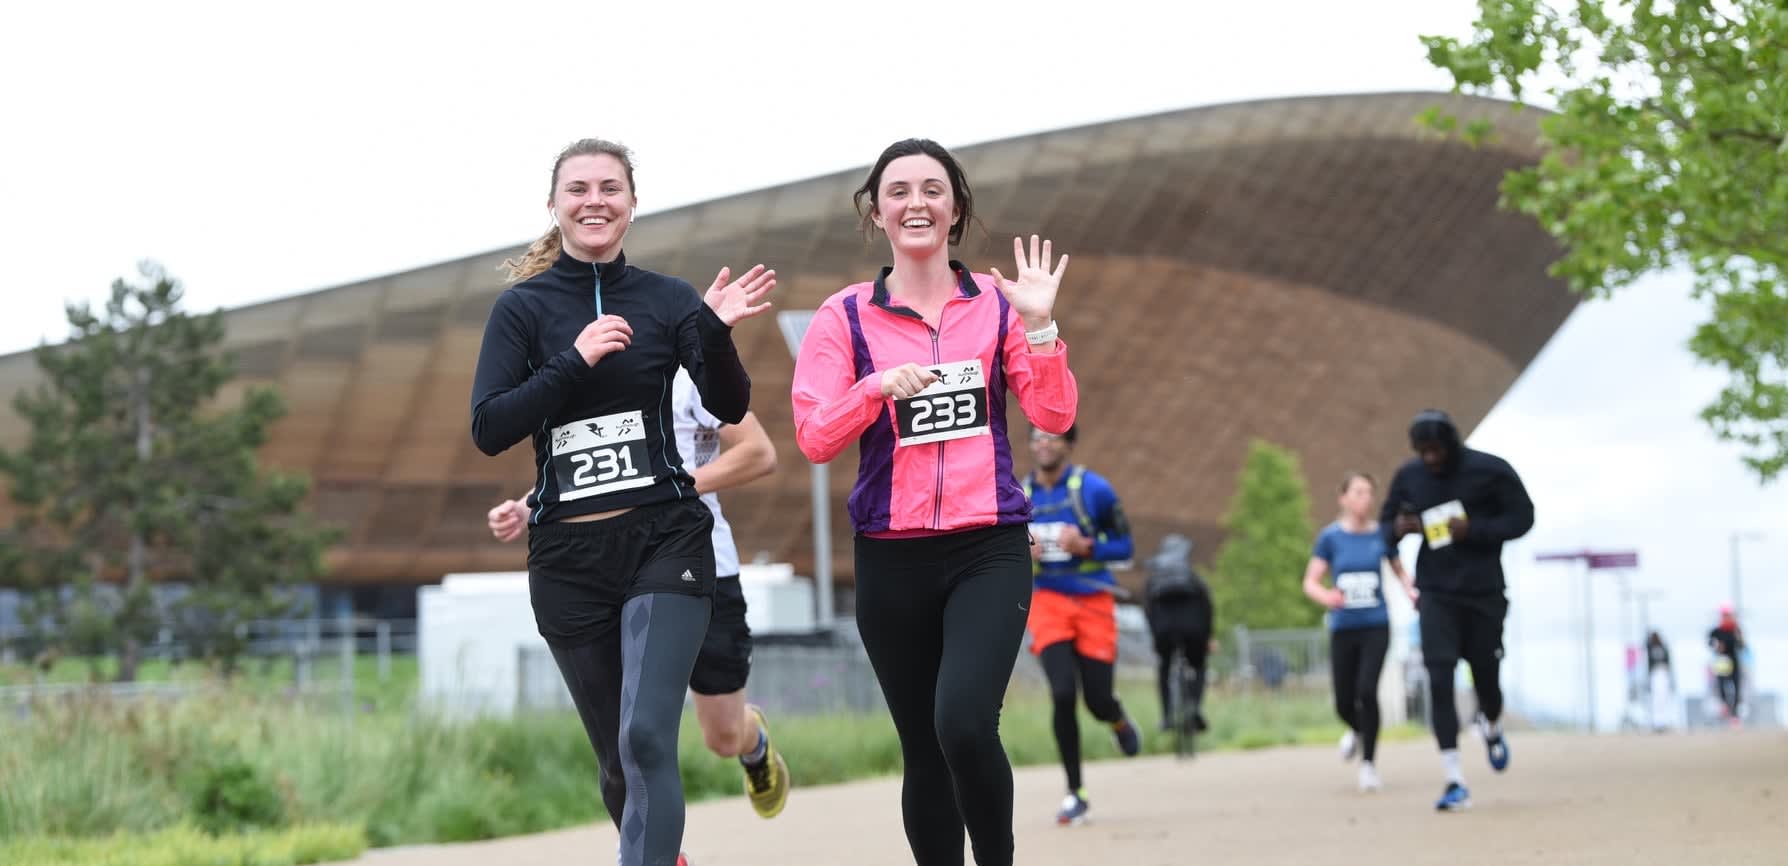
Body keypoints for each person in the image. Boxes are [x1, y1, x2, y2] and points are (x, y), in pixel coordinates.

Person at [469, 137, 775, 866]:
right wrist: (576, 359)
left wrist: (718, 334)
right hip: (569, 556)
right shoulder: (523, 310)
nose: (594, 200)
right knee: (616, 762)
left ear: (633, 204)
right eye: (578, 188)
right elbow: (489, 427)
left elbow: (731, 403)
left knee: (645, 739)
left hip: (665, 542)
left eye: (610, 187)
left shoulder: (669, 300)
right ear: (554, 204)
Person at [790, 137, 1077, 866]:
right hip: (891, 556)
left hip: (989, 546)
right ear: (876, 213)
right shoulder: (845, 317)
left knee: (965, 723)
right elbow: (814, 437)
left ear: (955, 209)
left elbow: (1053, 416)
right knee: (923, 745)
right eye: (898, 191)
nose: (915, 202)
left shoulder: (999, 306)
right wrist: (872, 389)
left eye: (931, 189)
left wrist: (1040, 325)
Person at [487, 366, 791, 822]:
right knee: (631, 737)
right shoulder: (590, 374)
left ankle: (754, 743)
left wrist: (672, 485)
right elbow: (597, 469)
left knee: (722, 736)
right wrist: (529, 503)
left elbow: (759, 453)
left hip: (701, 562)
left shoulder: (690, 374)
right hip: (617, 571)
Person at [1382, 408, 1533, 812]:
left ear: (1451, 443)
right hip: (1436, 593)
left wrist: (1476, 530)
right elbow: (1386, 523)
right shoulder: (1410, 476)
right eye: (1424, 452)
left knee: (1486, 675)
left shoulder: (1491, 471)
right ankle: (1453, 777)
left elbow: (1523, 518)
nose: (1431, 459)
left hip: (1484, 591)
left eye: (1437, 450)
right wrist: (1396, 533)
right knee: (1439, 675)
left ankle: (1493, 725)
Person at [1021, 423, 1141, 825]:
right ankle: (1076, 792)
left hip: (1092, 600)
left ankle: (1118, 720)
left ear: (1069, 445)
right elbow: (998, 549)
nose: (1044, 444)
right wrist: (1025, 551)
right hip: (1048, 600)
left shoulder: (1095, 490)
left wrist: (1087, 546)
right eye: (1037, 437)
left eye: (1052, 437)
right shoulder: (1019, 495)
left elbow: (1126, 547)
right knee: (1061, 693)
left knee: (1097, 699)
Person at [1302, 472, 1416, 793]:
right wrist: (1327, 596)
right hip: (1343, 627)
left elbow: (1399, 570)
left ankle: (1368, 765)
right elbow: (1310, 580)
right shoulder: (1330, 538)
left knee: (1367, 691)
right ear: (1343, 498)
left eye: (1369, 493)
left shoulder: (1380, 534)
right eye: (1358, 492)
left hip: (1376, 624)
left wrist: (1411, 590)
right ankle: (1356, 730)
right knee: (1343, 700)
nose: (1365, 499)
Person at [1142, 533, 1214, 735]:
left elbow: (1147, 608)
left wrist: (1154, 636)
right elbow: (1207, 606)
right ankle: (1195, 709)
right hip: (1194, 630)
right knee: (1198, 666)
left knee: (1165, 668)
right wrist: (1208, 637)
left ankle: (1166, 716)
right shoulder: (1193, 577)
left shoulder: (1154, 579)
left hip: (1164, 631)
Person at [1708, 605, 1745, 725]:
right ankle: (1725, 705)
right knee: (1722, 685)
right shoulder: (1717, 630)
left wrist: (1739, 639)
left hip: (1734, 660)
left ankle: (1735, 714)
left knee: (1737, 687)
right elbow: (1710, 642)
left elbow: (1741, 646)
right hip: (1722, 661)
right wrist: (1716, 645)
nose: (1726, 617)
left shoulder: (1736, 629)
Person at [1645, 630, 1675, 732]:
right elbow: (1646, 647)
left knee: (1664, 698)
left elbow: (1668, 661)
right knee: (1656, 699)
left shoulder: (1663, 647)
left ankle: (1664, 721)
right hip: (1654, 674)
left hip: (1663, 673)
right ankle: (1657, 722)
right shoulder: (1650, 648)